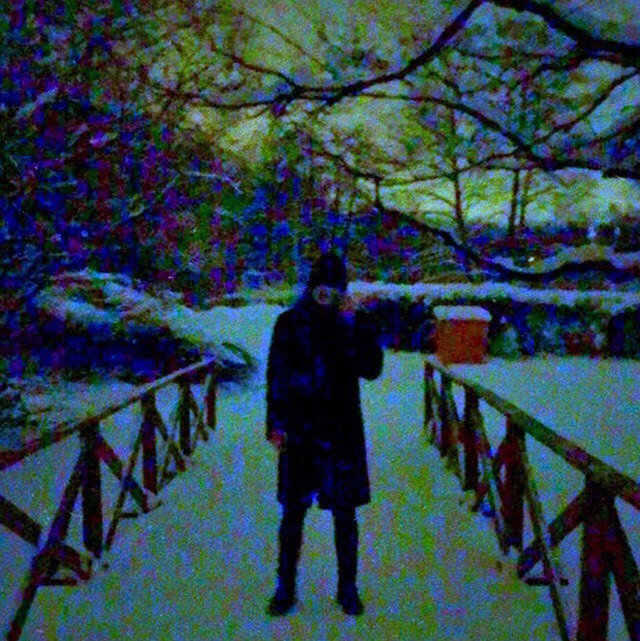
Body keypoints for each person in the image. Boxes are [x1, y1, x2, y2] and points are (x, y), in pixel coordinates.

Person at [265, 250, 383, 617]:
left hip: (341, 431)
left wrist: (352, 324)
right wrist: (276, 423)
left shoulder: (354, 322)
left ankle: (348, 589)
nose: (324, 295)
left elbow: (372, 368)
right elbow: (276, 375)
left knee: (345, 515)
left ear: (341, 290)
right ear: (310, 286)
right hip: (299, 431)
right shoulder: (290, 323)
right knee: (292, 513)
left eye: (332, 289)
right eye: (319, 287)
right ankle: (285, 588)